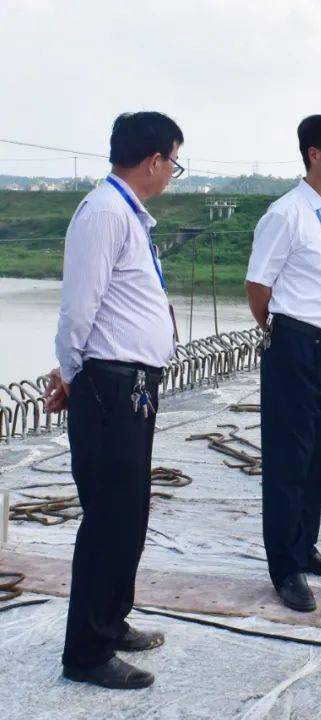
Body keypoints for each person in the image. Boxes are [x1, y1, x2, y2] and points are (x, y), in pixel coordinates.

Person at [45, 111, 184, 689]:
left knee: (129, 513)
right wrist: (74, 376)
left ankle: (110, 618)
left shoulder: (127, 213)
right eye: (174, 162)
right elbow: (79, 308)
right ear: (153, 160)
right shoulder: (104, 213)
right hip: (107, 386)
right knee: (108, 518)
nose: (174, 172)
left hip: (130, 386)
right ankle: (87, 652)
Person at [246, 115, 321, 612]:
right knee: (289, 460)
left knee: (318, 458)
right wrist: (285, 333)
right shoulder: (286, 213)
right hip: (296, 345)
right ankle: (284, 567)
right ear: (314, 154)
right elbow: (257, 287)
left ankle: (305, 545)